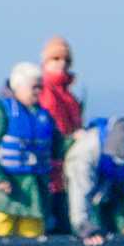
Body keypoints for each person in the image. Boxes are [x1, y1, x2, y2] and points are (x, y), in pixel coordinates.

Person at [0, 63, 59, 238]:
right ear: (18, 86)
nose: (38, 91)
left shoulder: (43, 116)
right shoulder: (1, 112)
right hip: (4, 199)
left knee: (33, 243)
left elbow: (58, 147)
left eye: (40, 87)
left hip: (34, 197)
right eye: (34, 87)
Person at [63, 108, 124, 245]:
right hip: (91, 180)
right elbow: (79, 190)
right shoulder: (87, 149)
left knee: (123, 222)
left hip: (120, 184)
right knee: (93, 219)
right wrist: (82, 225)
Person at [38, 36, 83, 233]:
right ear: (46, 62)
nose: (61, 64)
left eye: (65, 59)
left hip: (69, 164)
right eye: (55, 59)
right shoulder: (45, 91)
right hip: (53, 165)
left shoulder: (68, 95)